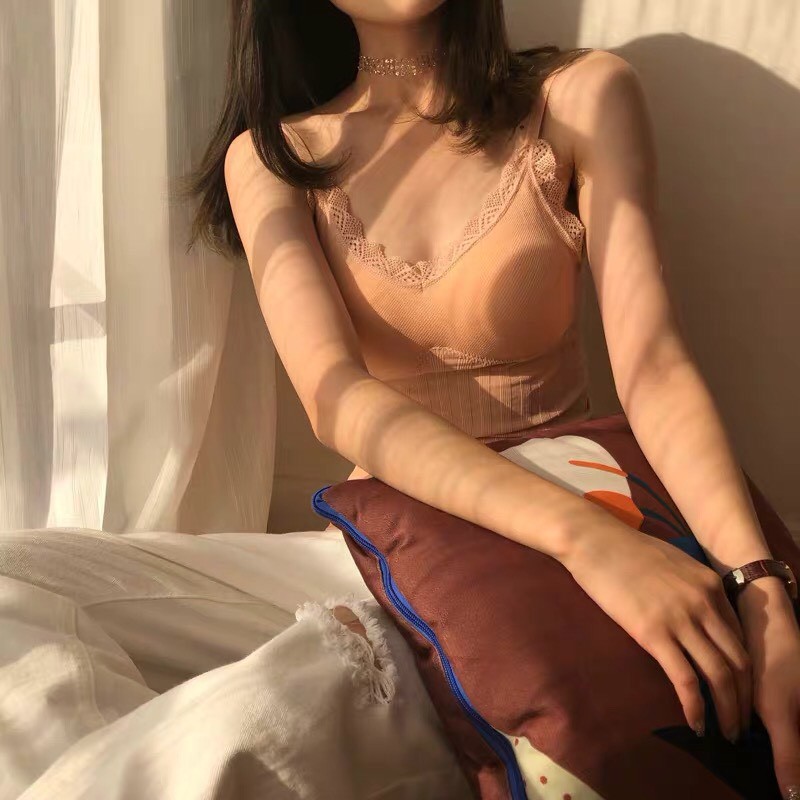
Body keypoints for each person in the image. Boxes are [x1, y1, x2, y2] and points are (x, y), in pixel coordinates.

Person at [1, 2, 797, 800]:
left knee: (232, 730)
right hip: (379, 545)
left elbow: (656, 368)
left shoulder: (578, 97)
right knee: (16, 583)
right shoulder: (275, 156)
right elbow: (337, 400)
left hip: (526, 558)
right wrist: (587, 540)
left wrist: (758, 584)